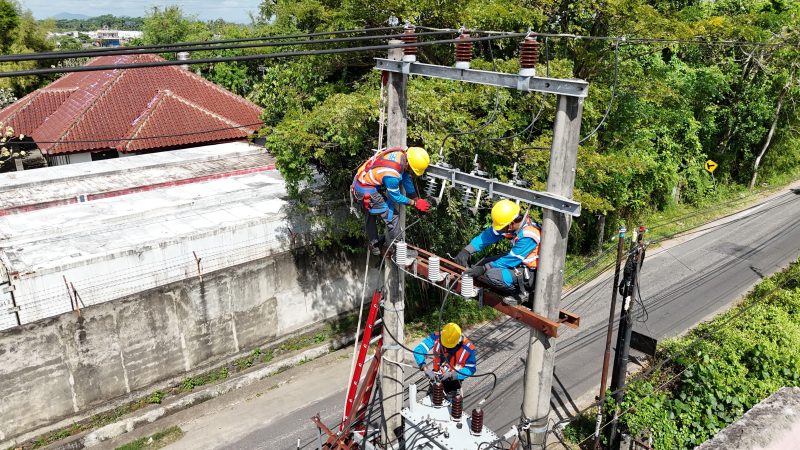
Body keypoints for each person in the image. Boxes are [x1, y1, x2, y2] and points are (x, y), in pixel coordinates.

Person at [454, 199, 541, 304]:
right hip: (517, 261)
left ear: (511, 223)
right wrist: (467, 250)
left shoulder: (529, 235)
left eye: (502, 227)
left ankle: (524, 294)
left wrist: (484, 268)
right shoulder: (511, 226)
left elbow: (511, 259)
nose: (500, 230)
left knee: (492, 274)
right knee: (483, 264)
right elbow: (488, 235)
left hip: (530, 272)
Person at [351, 146, 431, 255]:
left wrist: (415, 197)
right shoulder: (392, 174)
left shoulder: (401, 154)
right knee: (392, 215)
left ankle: (374, 244)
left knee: (370, 211)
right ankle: (398, 250)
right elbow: (395, 197)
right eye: (411, 169)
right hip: (366, 190)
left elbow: (406, 177)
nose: (411, 172)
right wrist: (414, 203)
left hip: (360, 182)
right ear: (408, 163)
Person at [414, 322, 476, 395]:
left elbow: (471, 369)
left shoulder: (468, 349)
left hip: (453, 383)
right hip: (436, 378)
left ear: (458, 340)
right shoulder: (436, 337)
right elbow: (418, 350)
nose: (446, 348)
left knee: (453, 401)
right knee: (431, 399)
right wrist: (425, 369)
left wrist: (452, 375)